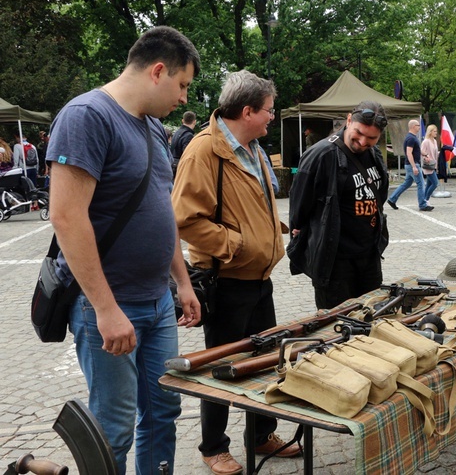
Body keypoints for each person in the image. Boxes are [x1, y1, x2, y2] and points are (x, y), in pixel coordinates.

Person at [45, 26, 203, 474]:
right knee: (112, 427)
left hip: (157, 303)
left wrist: (183, 282)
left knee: (163, 412)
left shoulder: (154, 127)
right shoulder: (86, 116)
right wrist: (105, 308)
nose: (184, 98)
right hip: (111, 308)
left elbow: (162, 213)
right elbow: (67, 216)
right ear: (158, 71)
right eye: (183, 84)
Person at [172, 70, 300, 475]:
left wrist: (272, 234)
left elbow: (252, 205)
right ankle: (213, 446)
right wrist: (240, 244)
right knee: (220, 367)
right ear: (247, 111)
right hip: (227, 281)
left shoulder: (254, 148)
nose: (271, 118)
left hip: (259, 279)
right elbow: (184, 219)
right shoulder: (204, 151)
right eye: (268, 111)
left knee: (264, 360)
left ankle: (261, 434)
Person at [287, 101, 390, 310]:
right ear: (349, 120)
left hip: (369, 256)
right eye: (359, 133)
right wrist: (302, 228)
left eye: (372, 138)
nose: (362, 142)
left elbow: (381, 192)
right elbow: (299, 203)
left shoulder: (374, 154)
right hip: (335, 261)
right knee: (337, 325)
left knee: (372, 318)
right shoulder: (322, 154)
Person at [387, 119, 432, 211]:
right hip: (412, 165)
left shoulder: (412, 137)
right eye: (418, 125)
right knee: (421, 184)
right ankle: (423, 205)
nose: (419, 127)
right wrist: (414, 166)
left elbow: (417, 150)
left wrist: (425, 155)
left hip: (409, 165)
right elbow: (409, 153)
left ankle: (392, 199)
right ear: (413, 127)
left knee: (406, 184)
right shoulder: (411, 138)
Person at [421, 124, 439, 202]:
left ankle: (423, 201)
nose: (436, 133)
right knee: (435, 183)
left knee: (429, 184)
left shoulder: (434, 141)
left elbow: (435, 152)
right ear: (430, 132)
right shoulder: (426, 141)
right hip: (428, 165)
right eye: (434, 131)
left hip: (433, 165)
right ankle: (426, 199)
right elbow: (422, 152)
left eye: (436, 131)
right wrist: (426, 157)